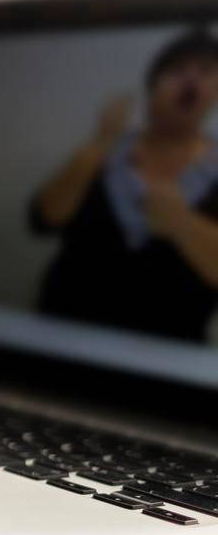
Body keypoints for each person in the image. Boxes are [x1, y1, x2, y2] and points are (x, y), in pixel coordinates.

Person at [29, 27, 218, 341]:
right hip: (60, 334)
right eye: (178, 70)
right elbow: (43, 219)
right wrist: (100, 143)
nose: (191, 81)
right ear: (153, 85)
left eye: (206, 72)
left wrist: (182, 224)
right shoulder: (107, 150)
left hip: (167, 353)